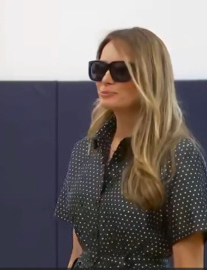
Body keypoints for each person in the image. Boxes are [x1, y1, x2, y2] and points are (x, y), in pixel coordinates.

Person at [55, 27, 207, 268]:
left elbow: (189, 264)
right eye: (99, 68)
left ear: (150, 76)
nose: (105, 79)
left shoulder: (178, 156)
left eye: (120, 70)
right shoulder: (85, 151)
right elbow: (78, 252)